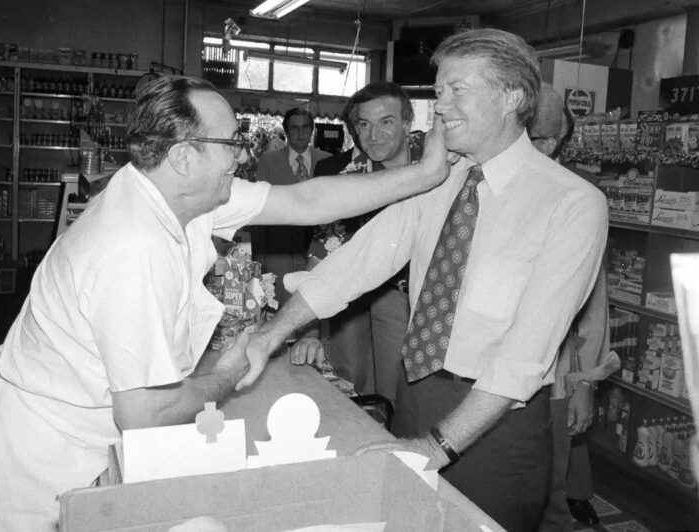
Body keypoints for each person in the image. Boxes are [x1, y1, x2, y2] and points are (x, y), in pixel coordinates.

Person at [0, 75, 452, 531]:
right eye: (230, 143)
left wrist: (426, 175)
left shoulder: (178, 194)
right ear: (184, 157)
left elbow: (306, 201)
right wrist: (227, 375)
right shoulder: (132, 245)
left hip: (81, 445)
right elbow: (146, 414)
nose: (241, 156)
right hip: (27, 465)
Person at [241, 28, 608, 531]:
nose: (441, 106)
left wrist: (436, 446)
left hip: (496, 420)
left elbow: (526, 354)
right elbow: (358, 261)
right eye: (438, 91)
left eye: (457, 90)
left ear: (511, 97)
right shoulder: (439, 177)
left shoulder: (571, 203)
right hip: (413, 390)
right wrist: (271, 334)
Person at [292, 82, 422, 404]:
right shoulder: (350, 179)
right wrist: (309, 331)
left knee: (399, 391)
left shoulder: (437, 161)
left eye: (386, 122)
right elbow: (320, 255)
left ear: (407, 123)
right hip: (355, 297)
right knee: (349, 384)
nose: (374, 135)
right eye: (365, 124)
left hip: (413, 296)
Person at [529, 83, 620, 531]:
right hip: (483, 383)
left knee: (548, 493)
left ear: (549, 143)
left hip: (552, 378)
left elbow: (592, 309)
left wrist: (585, 384)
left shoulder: (577, 202)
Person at [251, 107, 330, 305]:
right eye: (295, 128)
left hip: (319, 253)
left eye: (305, 127)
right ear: (286, 131)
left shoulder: (328, 161)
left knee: (317, 306)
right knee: (280, 306)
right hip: (279, 252)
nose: (300, 132)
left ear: (312, 130)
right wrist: (259, 257)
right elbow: (259, 210)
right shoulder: (269, 161)